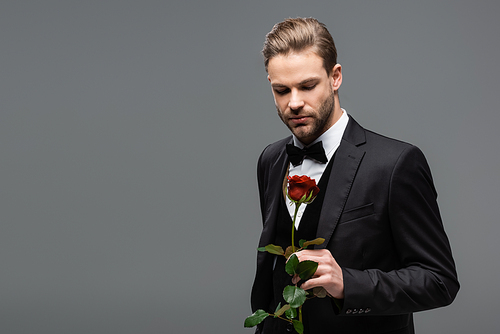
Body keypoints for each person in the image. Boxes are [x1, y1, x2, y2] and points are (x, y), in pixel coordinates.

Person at [250, 17, 459, 334]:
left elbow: (439, 281)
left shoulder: (396, 164)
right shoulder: (271, 159)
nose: (294, 103)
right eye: (282, 90)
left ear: (335, 77)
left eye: (308, 86)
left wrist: (348, 283)